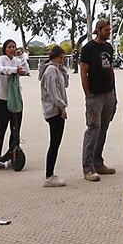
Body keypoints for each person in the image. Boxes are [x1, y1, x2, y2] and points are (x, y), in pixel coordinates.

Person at [79, 18, 118, 181]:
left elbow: (110, 69)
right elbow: (83, 73)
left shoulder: (109, 47)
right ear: (99, 30)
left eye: (110, 30)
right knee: (93, 129)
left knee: (103, 128)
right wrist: (88, 94)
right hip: (94, 96)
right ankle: (87, 167)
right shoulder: (88, 48)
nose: (109, 33)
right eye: (106, 30)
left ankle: (98, 162)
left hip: (108, 93)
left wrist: (114, 93)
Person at [0, 38, 30, 165]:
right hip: (2, 99)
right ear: (5, 49)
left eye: (14, 47)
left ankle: (14, 154)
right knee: (1, 128)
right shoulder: (1, 59)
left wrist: (22, 56)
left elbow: (26, 70)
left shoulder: (17, 60)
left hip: (15, 99)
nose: (12, 49)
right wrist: (13, 70)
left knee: (15, 129)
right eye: (9, 47)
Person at [40, 44, 70, 186]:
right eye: (61, 58)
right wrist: (62, 108)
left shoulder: (57, 70)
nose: (62, 61)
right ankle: (49, 174)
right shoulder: (51, 71)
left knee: (56, 142)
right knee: (54, 143)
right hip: (54, 110)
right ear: (56, 58)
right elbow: (53, 92)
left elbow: (65, 85)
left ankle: (50, 173)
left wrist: (64, 72)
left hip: (56, 109)